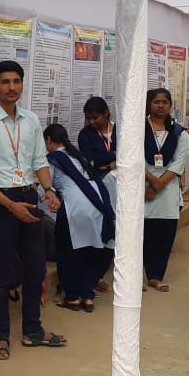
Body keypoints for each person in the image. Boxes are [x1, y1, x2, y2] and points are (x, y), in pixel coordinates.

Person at [0, 60, 65, 360]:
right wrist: (11, 205)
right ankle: (1, 336)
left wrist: (48, 191)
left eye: (16, 81)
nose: (12, 87)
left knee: (36, 268)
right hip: (2, 201)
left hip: (29, 195)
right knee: (3, 270)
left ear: (22, 84)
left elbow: (39, 162)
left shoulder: (32, 121)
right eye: (5, 82)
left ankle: (32, 331)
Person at [45, 123, 114, 314]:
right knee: (92, 251)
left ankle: (73, 297)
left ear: (49, 140)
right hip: (98, 204)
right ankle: (88, 295)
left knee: (69, 252)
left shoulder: (53, 159)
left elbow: (46, 184)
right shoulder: (78, 155)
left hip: (74, 206)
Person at [143, 88, 189, 293]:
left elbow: (179, 163)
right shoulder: (139, 128)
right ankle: (138, 276)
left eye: (165, 102)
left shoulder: (179, 132)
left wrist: (158, 186)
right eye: (156, 102)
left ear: (170, 105)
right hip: (142, 182)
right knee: (141, 234)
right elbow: (133, 158)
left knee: (164, 235)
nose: (160, 106)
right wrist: (152, 181)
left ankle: (155, 276)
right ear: (148, 104)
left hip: (168, 188)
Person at [76, 96, 117, 294]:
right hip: (98, 186)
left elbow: (132, 153)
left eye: (95, 118)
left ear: (106, 114)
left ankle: (97, 276)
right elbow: (91, 161)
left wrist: (105, 161)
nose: (91, 122)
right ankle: (89, 277)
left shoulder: (121, 130)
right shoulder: (85, 135)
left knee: (114, 233)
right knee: (99, 231)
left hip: (121, 188)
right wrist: (113, 160)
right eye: (88, 118)